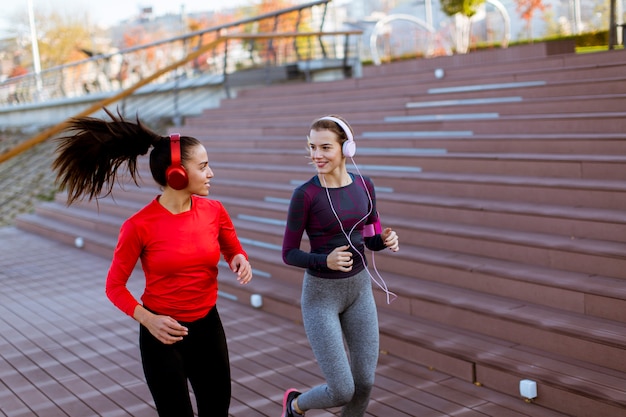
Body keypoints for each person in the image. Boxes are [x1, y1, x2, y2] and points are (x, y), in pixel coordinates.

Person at [52, 108, 253, 417]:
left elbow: (231, 247)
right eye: (203, 166)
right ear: (177, 174)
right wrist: (149, 320)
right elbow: (114, 286)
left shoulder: (214, 210)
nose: (211, 173)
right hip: (160, 336)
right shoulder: (138, 226)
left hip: (208, 329)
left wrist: (239, 258)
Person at [280, 115, 400, 417]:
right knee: (342, 389)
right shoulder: (305, 195)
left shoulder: (365, 186)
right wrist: (325, 260)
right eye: (311, 147)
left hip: (359, 291)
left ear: (346, 149)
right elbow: (288, 253)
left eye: (325, 147)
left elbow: (371, 240)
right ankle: (295, 406)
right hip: (321, 297)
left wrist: (386, 240)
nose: (316, 155)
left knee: (365, 383)